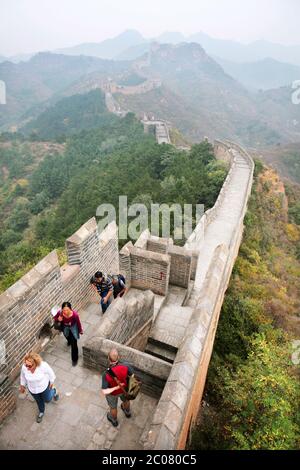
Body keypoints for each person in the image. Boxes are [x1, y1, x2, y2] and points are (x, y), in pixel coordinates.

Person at [19, 352, 59, 423]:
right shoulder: (24, 367)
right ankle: (41, 412)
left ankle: (54, 391)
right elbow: (23, 377)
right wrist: (22, 386)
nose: (27, 367)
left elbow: (51, 374)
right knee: (39, 401)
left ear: (36, 364)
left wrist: (52, 383)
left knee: (47, 399)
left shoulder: (43, 366)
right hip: (32, 389)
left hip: (44, 387)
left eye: (29, 366)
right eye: (26, 364)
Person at [101, 348, 133, 427]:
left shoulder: (106, 374)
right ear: (118, 357)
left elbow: (105, 391)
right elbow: (131, 375)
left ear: (108, 358)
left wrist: (115, 388)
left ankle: (114, 420)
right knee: (126, 400)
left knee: (113, 407)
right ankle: (127, 412)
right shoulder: (126, 366)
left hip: (113, 394)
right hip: (124, 389)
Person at [54, 302, 83, 366]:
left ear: (70, 309)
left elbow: (78, 323)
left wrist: (80, 330)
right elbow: (55, 318)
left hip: (73, 327)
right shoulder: (60, 313)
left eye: (67, 310)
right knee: (66, 335)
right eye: (64, 310)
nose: (65, 311)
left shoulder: (75, 315)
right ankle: (69, 341)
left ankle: (74, 359)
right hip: (65, 327)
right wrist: (58, 319)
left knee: (74, 344)